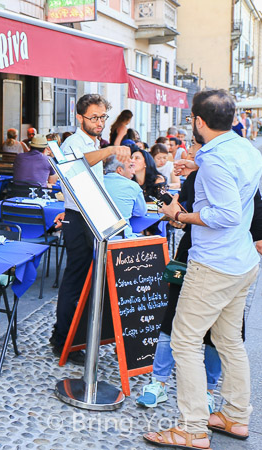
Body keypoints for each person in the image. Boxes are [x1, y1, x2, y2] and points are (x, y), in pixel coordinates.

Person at [146, 90, 262, 448]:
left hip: (214, 264)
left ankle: (192, 428)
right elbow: (238, 186)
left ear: (198, 121)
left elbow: (225, 215)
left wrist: (179, 215)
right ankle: (236, 416)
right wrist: (199, 165)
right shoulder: (245, 149)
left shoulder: (215, 160)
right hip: (241, 261)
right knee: (228, 341)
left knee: (184, 341)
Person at [136, 143, 222, 414]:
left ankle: (208, 389)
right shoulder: (195, 177)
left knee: (214, 327)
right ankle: (158, 382)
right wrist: (178, 217)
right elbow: (182, 213)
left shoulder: (232, 177)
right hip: (189, 254)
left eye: (196, 147)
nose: (191, 151)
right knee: (171, 316)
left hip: (222, 259)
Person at [49, 94, 131, 364]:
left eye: (102, 117)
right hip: (78, 218)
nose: (99, 122)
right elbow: (78, 164)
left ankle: (75, 336)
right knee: (75, 281)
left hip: (92, 216)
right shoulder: (75, 142)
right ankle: (62, 341)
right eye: (94, 117)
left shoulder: (93, 141)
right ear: (79, 117)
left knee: (88, 281)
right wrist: (109, 150)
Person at [102, 156, 146, 238]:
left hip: (97, 238)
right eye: (130, 167)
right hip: (122, 238)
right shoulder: (133, 186)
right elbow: (141, 212)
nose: (133, 172)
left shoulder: (97, 182)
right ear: (120, 170)